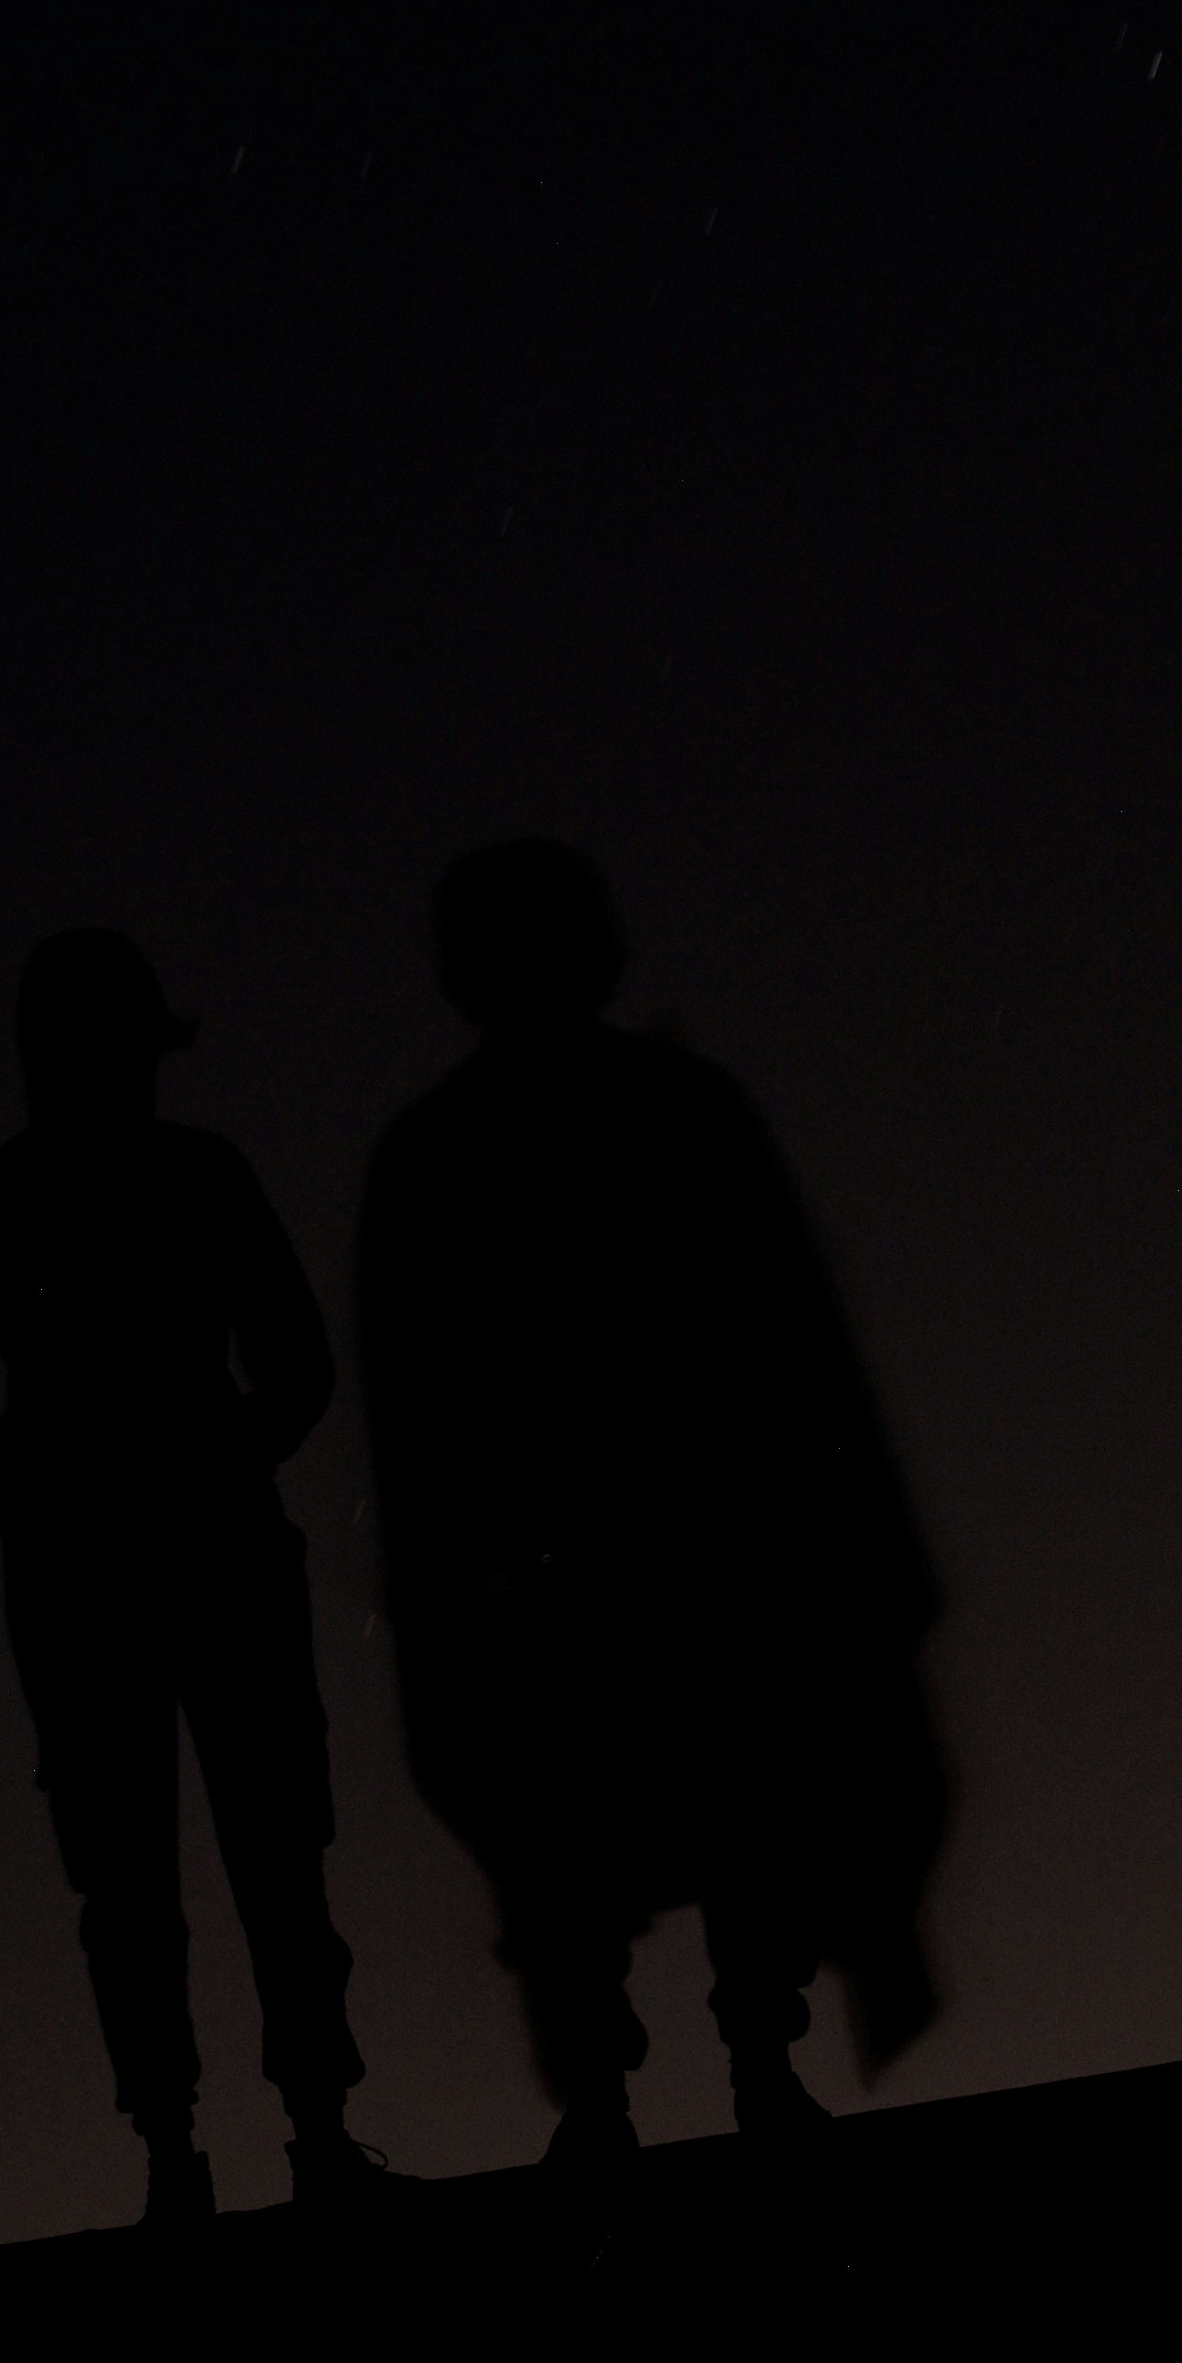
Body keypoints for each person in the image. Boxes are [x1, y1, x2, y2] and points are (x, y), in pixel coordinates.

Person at [358, 841, 947, 2202]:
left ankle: (717, 2068)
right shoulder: (544, 1135)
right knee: (612, 1818)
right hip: (589, 1556)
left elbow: (792, 1336)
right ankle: (675, 2079)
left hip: (671, 1543)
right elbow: (417, 1402)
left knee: (711, 1801)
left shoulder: (500, 1141)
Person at [0, 928, 392, 2224]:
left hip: (151, 1551)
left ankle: (248, 2139)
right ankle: (226, 2140)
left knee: (234, 1850)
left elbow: (296, 1364)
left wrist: (123, 1457)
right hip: (130, 1555)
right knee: (166, 1864)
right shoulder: (136, 1183)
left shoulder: (49, 1192)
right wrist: (136, 1456)